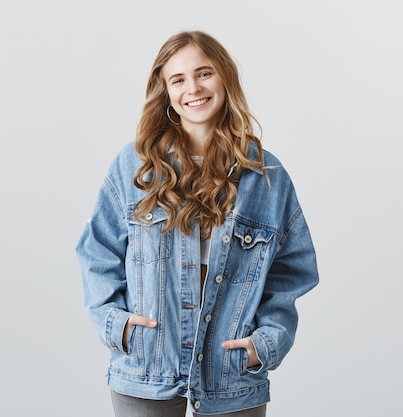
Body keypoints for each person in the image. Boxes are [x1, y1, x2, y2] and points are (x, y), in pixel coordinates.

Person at [75, 30, 319, 417]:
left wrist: (266, 343)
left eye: (204, 73)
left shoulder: (266, 176)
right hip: (146, 366)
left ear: (224, 77)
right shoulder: (134, 167)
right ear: (166, 92)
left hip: (232, 373)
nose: (193, 88)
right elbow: (96, 251)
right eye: (178, 79)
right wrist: (117, 325)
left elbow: (293, 271)